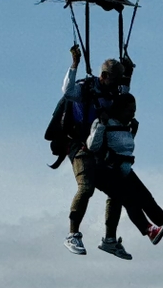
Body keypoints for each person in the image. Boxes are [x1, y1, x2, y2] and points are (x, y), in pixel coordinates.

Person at [79, 80, 163, 259]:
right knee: (129, 199)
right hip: (106, 171)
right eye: (130, 110)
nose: (133, 114)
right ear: (120, 109)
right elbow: (93, 146)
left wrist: (133, 132)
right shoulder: (104, 122)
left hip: (122, 170)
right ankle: (148, 229)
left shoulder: (126, 125)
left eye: (134, 110)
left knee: (147, 199)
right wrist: (101, 124)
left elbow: (123, 146)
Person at [45, 44, 114, 255]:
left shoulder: (111, 95)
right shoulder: (85, 90)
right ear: (104, 76)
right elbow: (67, 91)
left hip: (97, 145)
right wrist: (75, 65)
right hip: (77, 144)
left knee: (116, 191)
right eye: (115, 79)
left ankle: (110, 238)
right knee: (86, 187)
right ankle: (72, 234)